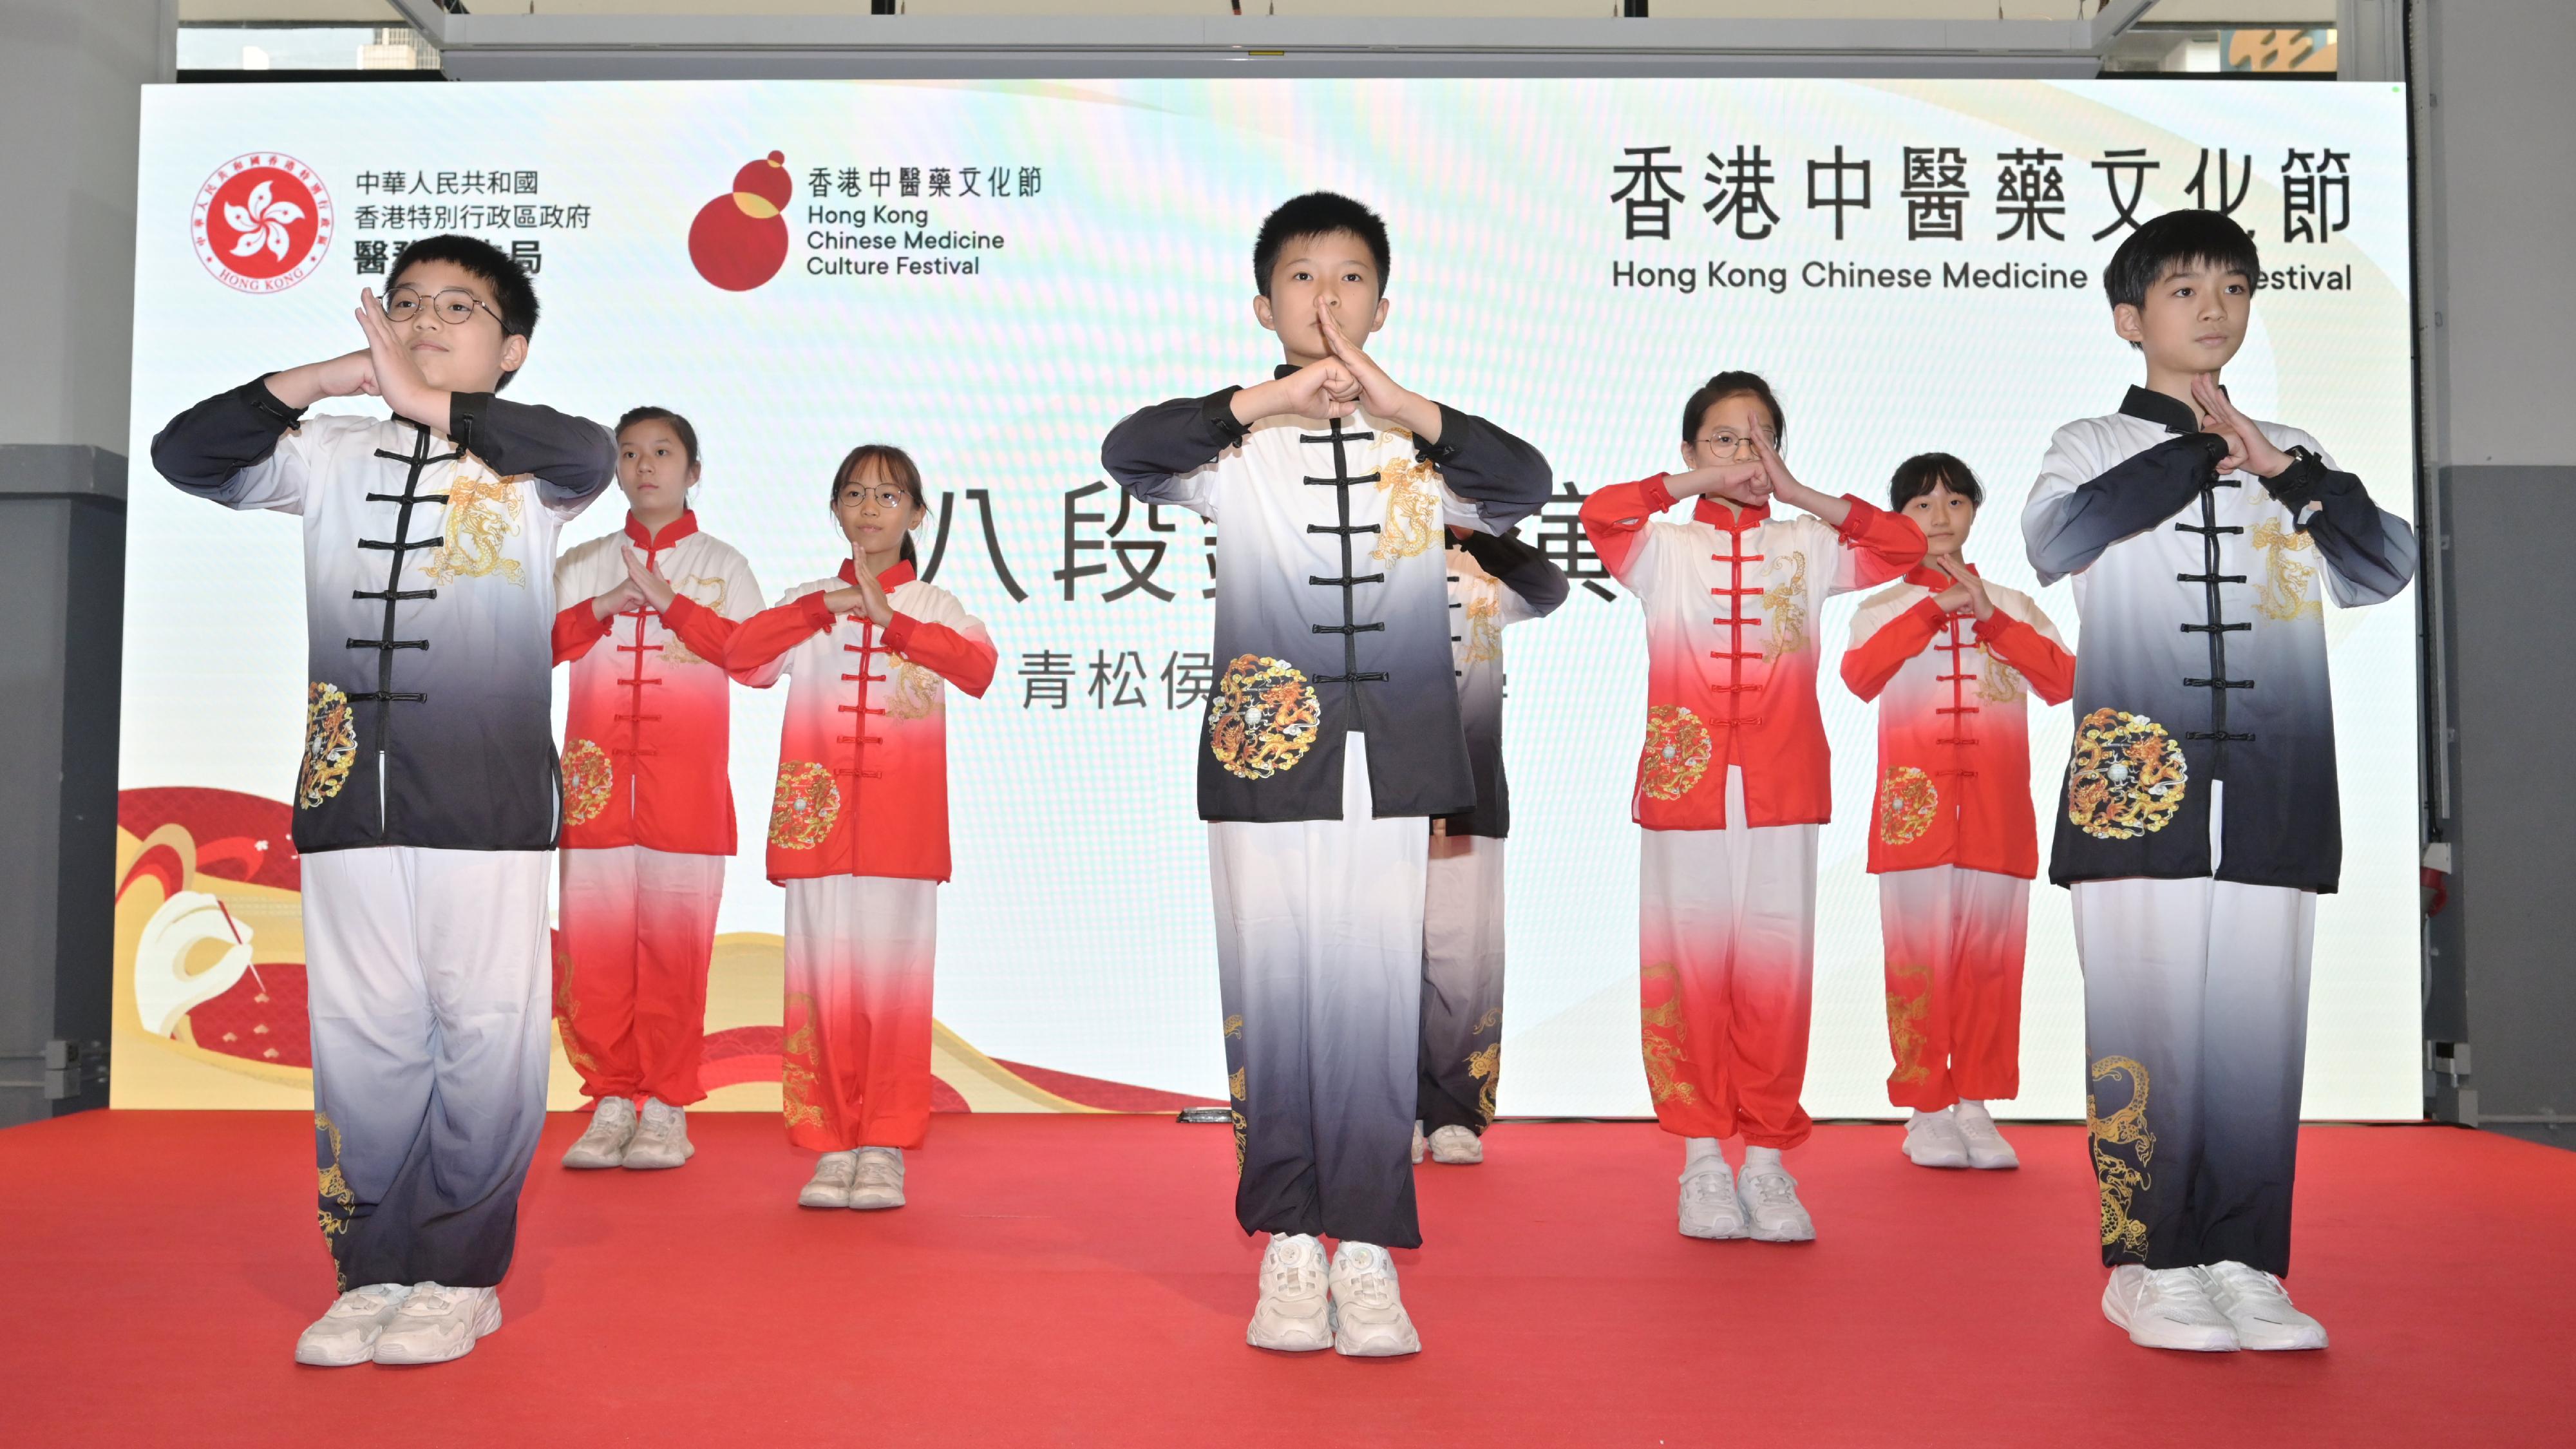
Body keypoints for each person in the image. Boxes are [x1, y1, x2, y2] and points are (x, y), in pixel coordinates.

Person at [149, 235, 615, 1366]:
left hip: (487, 805)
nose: (422, 320)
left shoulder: (531, 466)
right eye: (404, 303)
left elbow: (591, 450)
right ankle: (372, 1271)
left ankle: (458, 1274)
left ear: (508, 350)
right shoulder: (328, 455)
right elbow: (186, 456)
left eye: (458, 307)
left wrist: (433, 403)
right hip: (346, 799)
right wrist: (324, 382)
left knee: (489, 1036)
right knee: (363, 1040)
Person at [1100, 192, 1552, 1356]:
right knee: (1279, 989)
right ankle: (1288, 1245)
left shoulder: (1421, 445)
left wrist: (1404, 406)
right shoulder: (1229, 448)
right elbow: (1127, 451)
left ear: (1384, 305)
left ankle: (1364, 1252)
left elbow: (1526, 484)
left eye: (1350, 278)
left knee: (1368, 993)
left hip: (1393, 755)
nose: (1327, 297)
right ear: (1265, 305)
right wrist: (1273, 398)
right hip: (1268, 751)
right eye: (1302, 278)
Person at [2023, 209, 2416, 1352]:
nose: (2215, 308)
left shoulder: (2290, 452)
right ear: (2129, 319)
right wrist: (2200, 444)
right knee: (2145, 1031)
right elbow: (2058, 544)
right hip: (2138, 795)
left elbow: (2384, 565)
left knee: (2256, 1034)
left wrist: (2279, 466)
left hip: (2274, 795)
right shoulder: (2091, 443)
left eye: (2235, 288)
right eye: (2186, 289)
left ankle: (2246, 1259)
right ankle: (2146, 1264)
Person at [1580, 370, 1923, 1244]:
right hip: (1685, 787)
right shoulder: (1663, 549)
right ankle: (1701, 1160)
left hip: (1781, 785)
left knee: (1775, 968)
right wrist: (1693, 487)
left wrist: (1801, 491)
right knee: (1689, 970)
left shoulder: (1808, 544)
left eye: (1761, 437)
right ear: (1691, 449)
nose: (1744, 454)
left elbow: (1907, 549)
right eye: (1725, 439)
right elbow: (1601, 514)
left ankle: (1768, 1162)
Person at [726, 444, 996, 1214]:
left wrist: (894, 623)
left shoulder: (937, 607)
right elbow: (741, 660)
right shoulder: (809, 600)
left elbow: (978, 672)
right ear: (836, 510)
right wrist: (827, 610)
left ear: (916, 515)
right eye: (854, 494)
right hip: (816, 830)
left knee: (892, 993)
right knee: (820, 987)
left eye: (888, 496)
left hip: (901, 837)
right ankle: (827, 1144)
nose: (870, 508)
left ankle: (881, 1147)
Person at [1839, 453, 2074, 1172]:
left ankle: (1975, 1103)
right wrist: (1934, 608)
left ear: (1975, 512)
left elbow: (2065, 681)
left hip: (1998, 816)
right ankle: (1925, 1108)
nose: (1939, 519)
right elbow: (1859, 676)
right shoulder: (1880, 606)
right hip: (1914, 818)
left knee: (1990, 966)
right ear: (1899, 518)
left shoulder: (2013, 604)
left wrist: (1986, 618)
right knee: (1918, 965)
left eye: (1954, 503)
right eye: (1920, 505)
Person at [551, 407, 764, 1171]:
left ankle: (667, 1105)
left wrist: (675, 607)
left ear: (693, 470)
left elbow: (760, 662)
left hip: (685, 797)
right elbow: (528, 648)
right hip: (595, 796)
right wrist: (607, 605)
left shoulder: (723, 566)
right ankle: (611, 1098)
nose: (646, 466)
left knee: (676, 956)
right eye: (631, 454)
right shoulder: (581, 561)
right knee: (595, 956)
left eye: (664, 452)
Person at [1413, 526, 1566, 1166]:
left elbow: (1548, 588)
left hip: (1469, 793)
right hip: (1365, 797)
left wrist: (1478, 534)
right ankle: (1383, 1111)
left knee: (1461, 958)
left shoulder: (1483, 571)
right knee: (1373, 962)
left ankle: (1454, 1112)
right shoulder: (1352, 552)